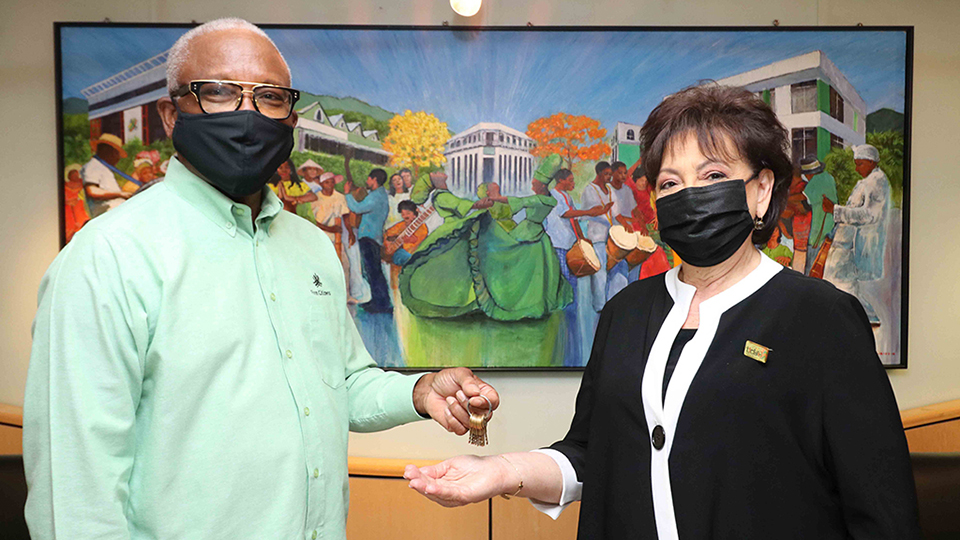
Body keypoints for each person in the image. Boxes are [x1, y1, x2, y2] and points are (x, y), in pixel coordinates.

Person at [23, 18, 500, 540]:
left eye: (269, 97)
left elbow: (340, 382)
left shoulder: (313, 247)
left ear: (289, 116)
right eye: (220, 92)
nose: (248, 115)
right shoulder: (108, 258)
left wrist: (421, 391)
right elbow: (72, 497)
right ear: (170, 113)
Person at [404, 84, 919, 540]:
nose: (689, 195)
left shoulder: (822, 319)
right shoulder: (625, 313)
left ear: (762, 191)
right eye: (671, 183)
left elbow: (880, 506)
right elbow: (590, 452)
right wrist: (500, 470)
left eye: (712, 174)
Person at [822, 144, 891, 326]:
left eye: (859, 164)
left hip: (856, 244)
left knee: (840, 281)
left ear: (870, 162)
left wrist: (834, 210)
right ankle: (864, 316)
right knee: (840, 281)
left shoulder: (877, 182)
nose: (856, 168)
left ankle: (861, 317)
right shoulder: (866, 181)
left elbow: (868, 215)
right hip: (847, 242)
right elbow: (853, 210)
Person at [346, 166, 392, 313]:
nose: (367, 181)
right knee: (373, 271)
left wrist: (347, 194)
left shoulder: (375, 197)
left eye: (369, 178)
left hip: (369, 237)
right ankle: (378, 300)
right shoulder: (379, 195)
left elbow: (357, 208)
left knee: (373, 271)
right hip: (373, 236)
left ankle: (382, 304)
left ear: (374, 180)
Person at [578, 161, 616, 312]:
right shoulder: (590, 189)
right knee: (599, 271)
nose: (609, 177)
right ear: (599, 173)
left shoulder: (609, 190)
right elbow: (592, 211)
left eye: (610, 174)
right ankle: (600, 305)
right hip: (597, 234)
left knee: (612, 269)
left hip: (611, 234)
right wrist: (604, 210)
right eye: (606, 174)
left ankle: (611, 300)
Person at [81, 133, 132, 217]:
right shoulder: (93, 166)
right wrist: (120, 194)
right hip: (107, 215)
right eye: (117, 153)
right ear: (108, 151)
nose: (118, 158)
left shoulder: (103, 168)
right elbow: (91, 190)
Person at [311, 172, 349, 257]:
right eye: (327, 182)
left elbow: (345, 215)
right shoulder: (315, 198)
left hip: (334, 238)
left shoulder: (340, 197)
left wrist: (350, 232)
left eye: (332, 182)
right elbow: (311, 220)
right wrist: (329, 229)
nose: (330, 185)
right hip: (317, 235)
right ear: (321, 184)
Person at [384, 199, 429, 267]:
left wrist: (409, 240)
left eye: (408, 213)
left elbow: (417, 241)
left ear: (415, 213)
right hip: (399, 255)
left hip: (413, 255)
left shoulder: (422, 228)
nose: (405, 216)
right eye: (403, 214)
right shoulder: (400, 225)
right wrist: (388, 243)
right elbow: (387, 234)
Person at [274, 158, 318, 223]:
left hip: (302, 219)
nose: (284, 170)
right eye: (280, 168)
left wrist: (293, 199)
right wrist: (280, 196)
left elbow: (313, 196)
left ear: (291, 169)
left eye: (287, 167)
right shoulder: (272, 185)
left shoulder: (299, 184)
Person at [63, 164, 91, 242]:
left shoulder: (83, 183)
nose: (75, 175)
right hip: (69, 212)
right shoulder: (64, 186)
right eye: (72, 173)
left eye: (76, 173)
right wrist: (67, 202)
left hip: (81, 210)